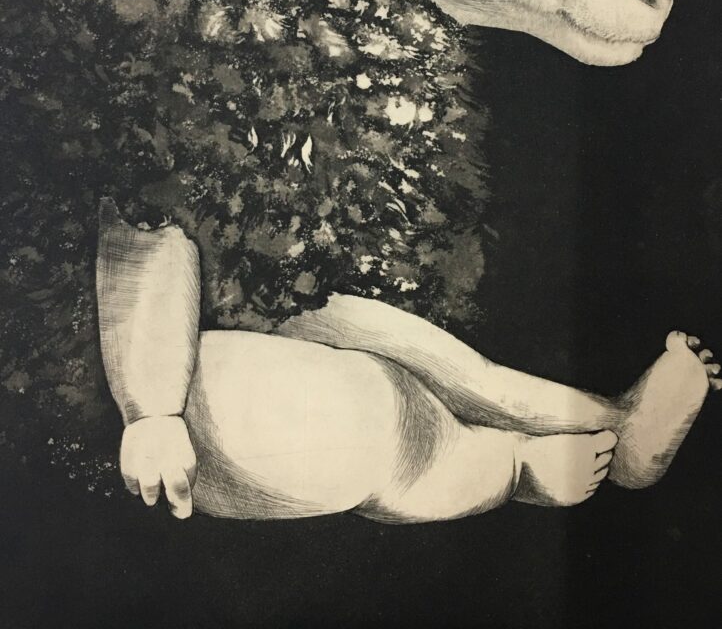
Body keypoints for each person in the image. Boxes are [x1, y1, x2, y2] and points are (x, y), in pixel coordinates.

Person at [97, 199, 720, 523]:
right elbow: (141, 230)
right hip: (146, 390)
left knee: (453, 370)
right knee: (366, 422)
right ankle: (514, 466)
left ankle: (615, 423)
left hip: (231, 297)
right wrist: (150, 411)